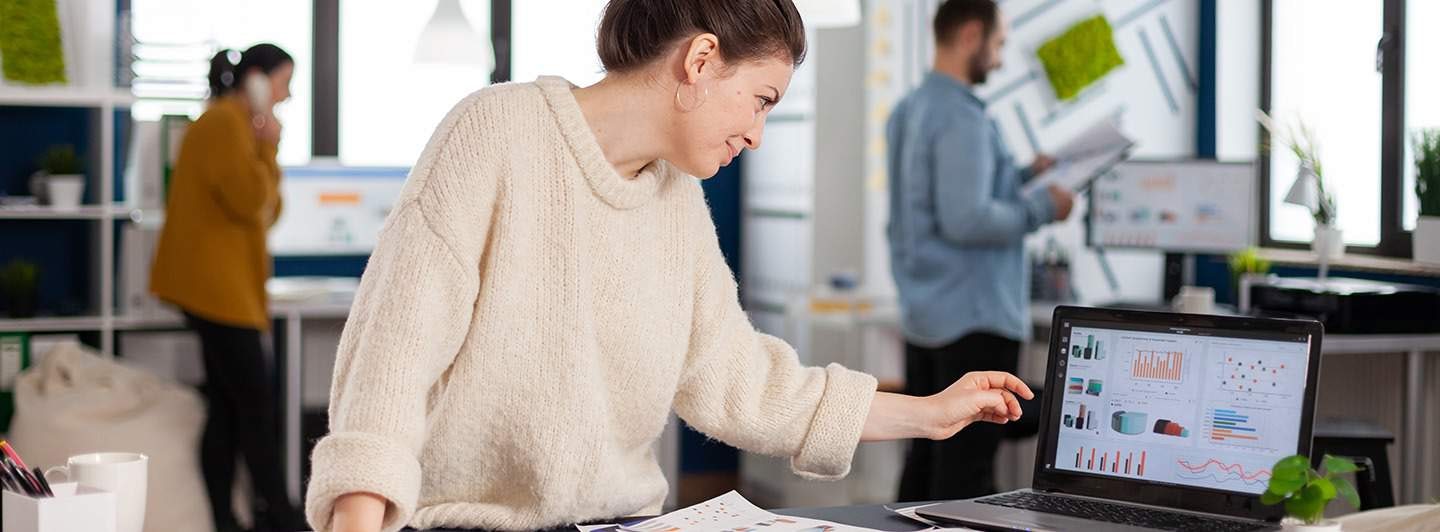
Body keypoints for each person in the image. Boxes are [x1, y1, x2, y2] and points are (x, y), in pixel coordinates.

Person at [305, 2, 1034, 531]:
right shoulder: (494, 132)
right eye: (760, 100)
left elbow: (745, 384)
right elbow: (389, 367)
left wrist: (932, 413)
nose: (756, 133)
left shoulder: (677, 201)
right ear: (701, 59)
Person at [885, 0, 1075, 502]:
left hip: (927, 313)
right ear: (972, 34)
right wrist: (1042, 208)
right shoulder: (962, 117)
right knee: (967, 471)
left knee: (926, 457)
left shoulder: (913, 108)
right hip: (974, 315)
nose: (1000, 57)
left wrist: (1024, 175)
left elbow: (949, 198)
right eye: (999, 43)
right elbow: (967, 218)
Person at [149, 43, 304, 532]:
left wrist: (264, 143)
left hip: (226, 289)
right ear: (256, 80)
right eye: (282, 82)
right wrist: (268, 141)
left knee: (229, 407)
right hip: (216, 292)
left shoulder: (238, 127)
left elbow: (268, 210)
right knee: (255, 406)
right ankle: (279, 517)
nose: (288, 93)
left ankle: (227, 519)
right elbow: (248, 199)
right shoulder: (223, 125)